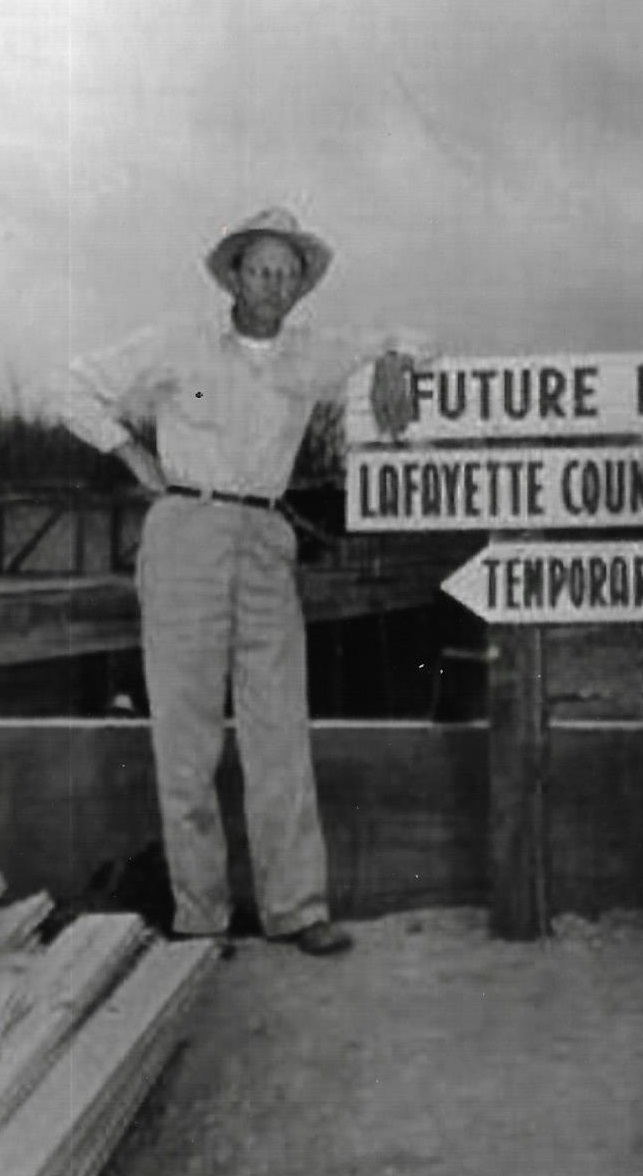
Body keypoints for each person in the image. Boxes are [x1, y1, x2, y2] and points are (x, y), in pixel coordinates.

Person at [54, 208, 424, 956]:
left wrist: (397, 360)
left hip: (266, 538)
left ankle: (296, 908)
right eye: (260, 270)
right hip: (186, 529)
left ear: (301, 285)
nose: (273, 285)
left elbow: (418, 339)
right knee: (185, 732)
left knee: (279, 727)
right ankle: (201, 916)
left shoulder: (313, 354)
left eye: (288, 274)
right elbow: (70, 387)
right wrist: (131, 453)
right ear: (233, 275)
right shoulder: (175, 342)